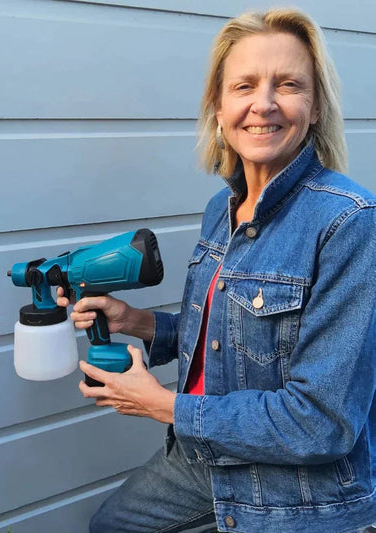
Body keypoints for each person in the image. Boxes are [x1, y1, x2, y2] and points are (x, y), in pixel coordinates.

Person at [57, 8, 376, 533]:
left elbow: (323, 423)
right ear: (219, 107)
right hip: (209, 453)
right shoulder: (220, 210)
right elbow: (231, 340)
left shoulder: (347, 222)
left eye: (288, 85)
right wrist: (138, 322)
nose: (263, 103)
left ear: (316, 106)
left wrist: (164, 406)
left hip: (298, 487)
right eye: (244, 86)